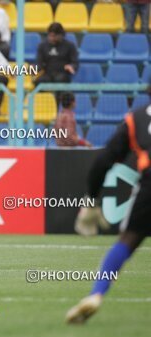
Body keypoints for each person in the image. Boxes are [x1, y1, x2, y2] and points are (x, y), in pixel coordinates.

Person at [65, 87, 151, 324]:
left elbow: (103, 160)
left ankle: (97, 294)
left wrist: (92, 200)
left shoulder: (137, 118)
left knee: (127, 240)